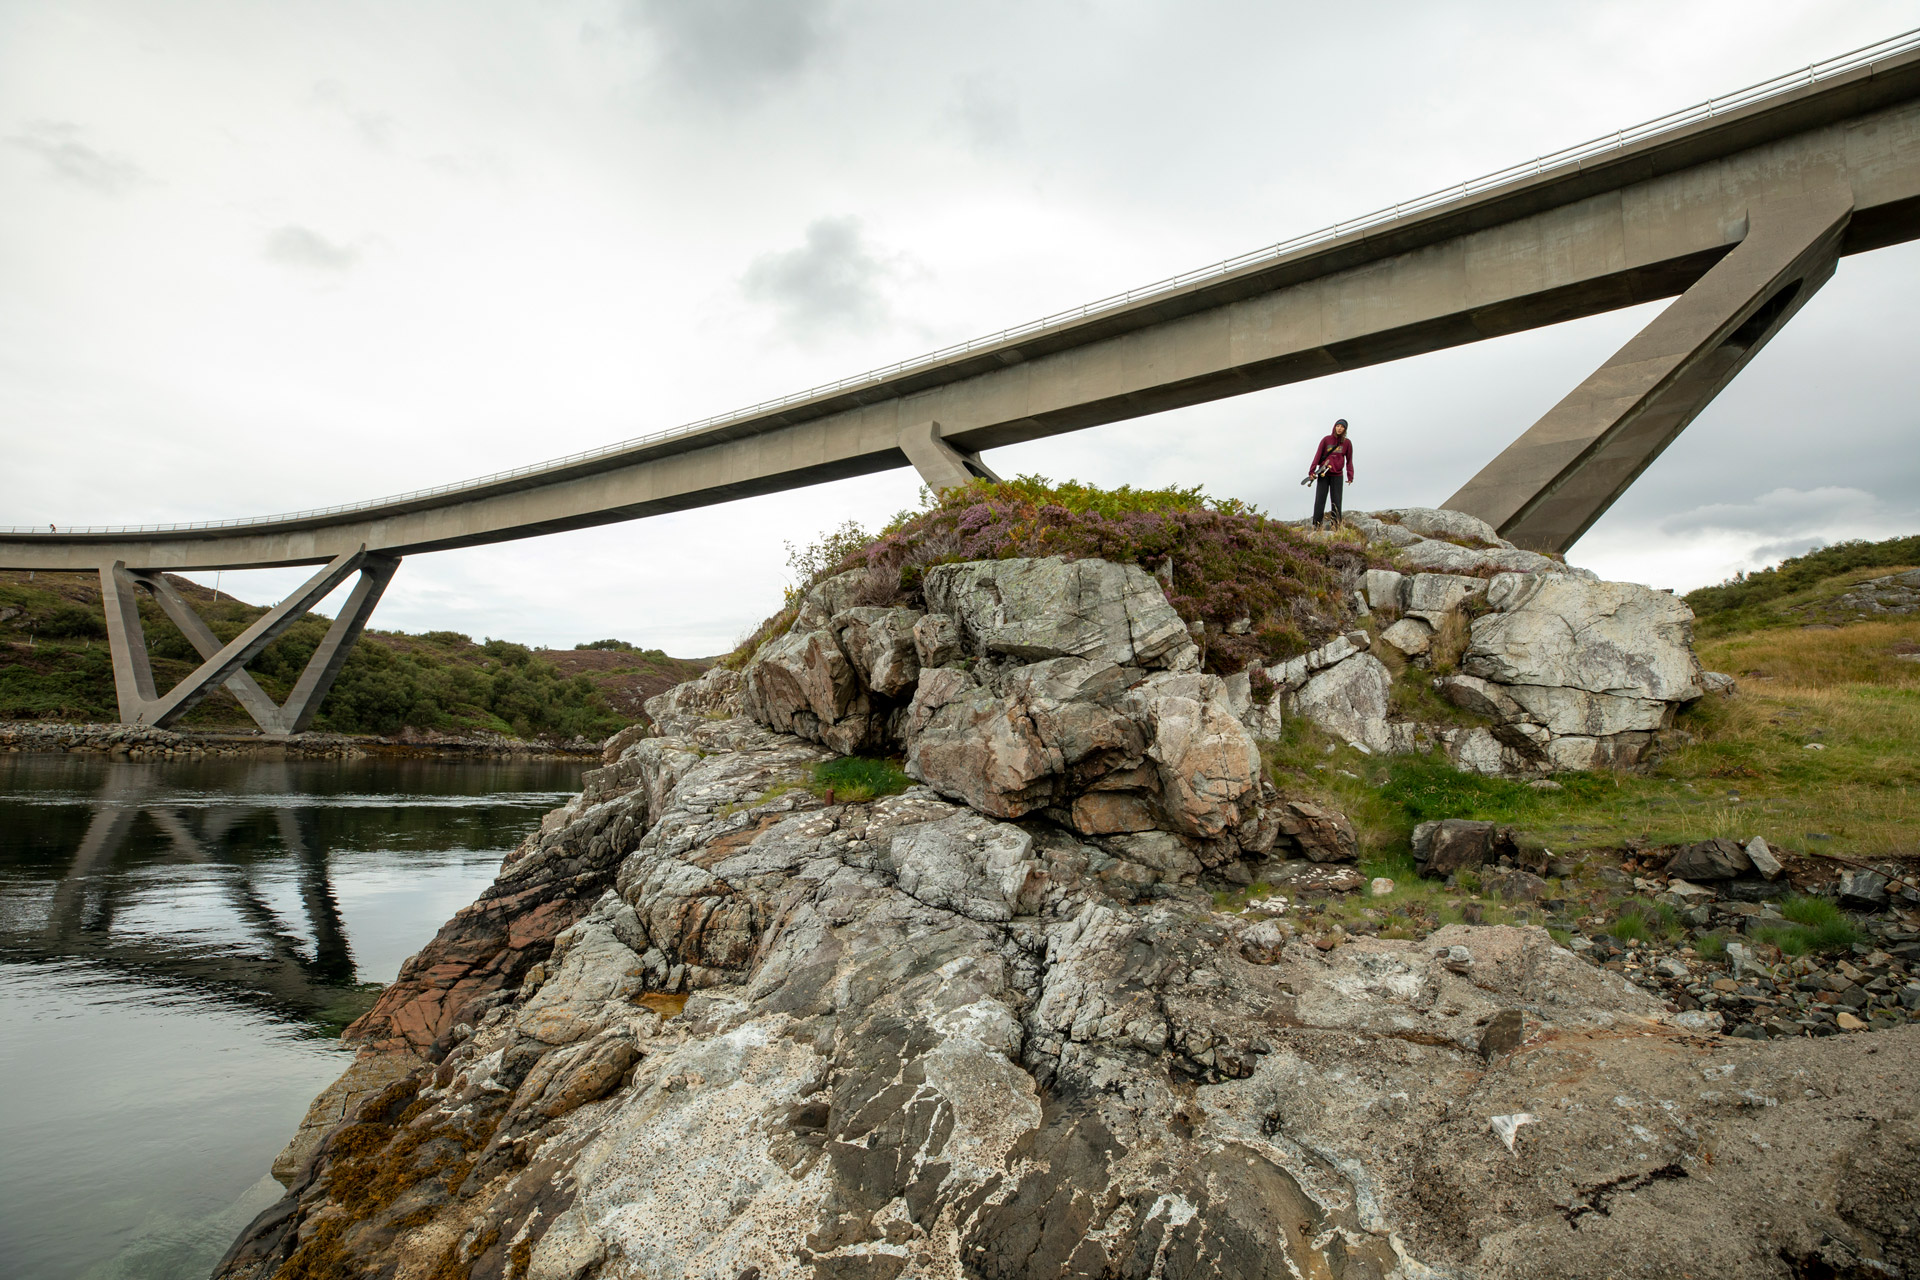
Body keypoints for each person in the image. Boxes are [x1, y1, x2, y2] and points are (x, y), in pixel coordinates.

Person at [1305, 418, 1354, 529]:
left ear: (1345, 429)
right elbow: (1317, 456)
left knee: (1336, 502)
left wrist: (1350, 475)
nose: (1339, 428)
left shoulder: (1347, 443)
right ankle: (1317, 525)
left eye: (1342, 427)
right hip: (1324, 474)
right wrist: (1312, 471)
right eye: (1338, 426)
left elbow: (1349, 460)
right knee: (1320, 500)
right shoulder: (1326, 440)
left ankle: (1336, 526)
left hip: (1337, 475)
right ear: (1334, 427)